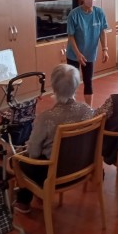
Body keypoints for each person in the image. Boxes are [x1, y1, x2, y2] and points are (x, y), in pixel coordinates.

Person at [14, 64, 93, 213]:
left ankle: (23, 201)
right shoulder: (88, 111)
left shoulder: (46, 118)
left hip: (54, 175)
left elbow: (33, 153)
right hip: (82, 168)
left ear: (54, 87)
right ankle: (37, 194)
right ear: (77, 85)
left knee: (17, 160)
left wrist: (23, 151)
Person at [67, 0, 109, 106]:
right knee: (72, 82)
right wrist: (78, 54)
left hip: (90, 53)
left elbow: (102, 31)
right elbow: (71, 36)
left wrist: (105, 49)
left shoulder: (99, 12)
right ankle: (71, 107)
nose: (92, 0)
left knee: (88, 81)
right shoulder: (74, 14)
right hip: (74, 54)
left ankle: (89, 109)